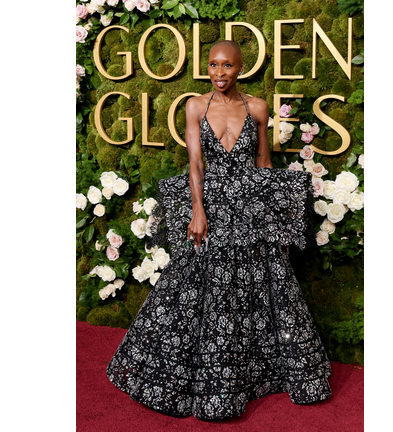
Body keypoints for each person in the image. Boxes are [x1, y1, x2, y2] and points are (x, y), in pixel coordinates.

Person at [106, 40, 332, 421]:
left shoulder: (257, 108)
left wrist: (273, 220)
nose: (219, 73)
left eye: (227, 66)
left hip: (250, 206)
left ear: (240, 68)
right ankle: (203, 379)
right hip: (212, 206)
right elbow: (196, 163)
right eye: (212, 65)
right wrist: (198, 210)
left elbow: (263, 163)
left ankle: (256, 376)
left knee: (262, 287)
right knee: (199, 288)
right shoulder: (196, 106)